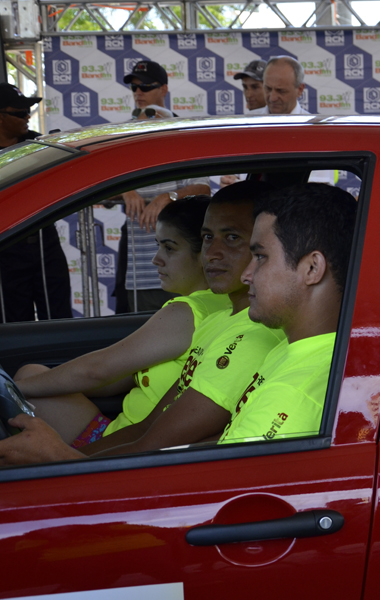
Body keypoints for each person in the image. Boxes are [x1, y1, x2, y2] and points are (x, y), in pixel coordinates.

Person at [14, 197, 230, 445]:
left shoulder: (188, 311)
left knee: (27, 381)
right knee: (31, 374)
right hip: (128, 437)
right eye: (158, 245)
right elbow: (110, 379)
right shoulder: (223, 305)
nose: (156, 259)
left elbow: (97, 370)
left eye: (169, 248)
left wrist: (18, 390)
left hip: (120, 444)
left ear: (204, 254)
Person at [221, 183, 357, 442]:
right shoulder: (297, 349)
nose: (245, 275)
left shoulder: (293, 393)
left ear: (312, 268)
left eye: (260, 257)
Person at [120, 61, 211, 312]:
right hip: (140, 271)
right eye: (134, 87)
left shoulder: (183, 134)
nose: (139, 92)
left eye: (146, 86)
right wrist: (125, 190)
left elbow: (203, 188)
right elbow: (97, 183)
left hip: (182, 268)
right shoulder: (124, 137)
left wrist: (167, 197)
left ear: (164, 90)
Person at [0, 83, 72, 323]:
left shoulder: (39, 145)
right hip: (6, 248)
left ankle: (63, 362)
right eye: (20, 113)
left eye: (28, 111)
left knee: (59, 320)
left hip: (45, 243)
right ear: (0, 117)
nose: (27, 117)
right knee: (14, 325)